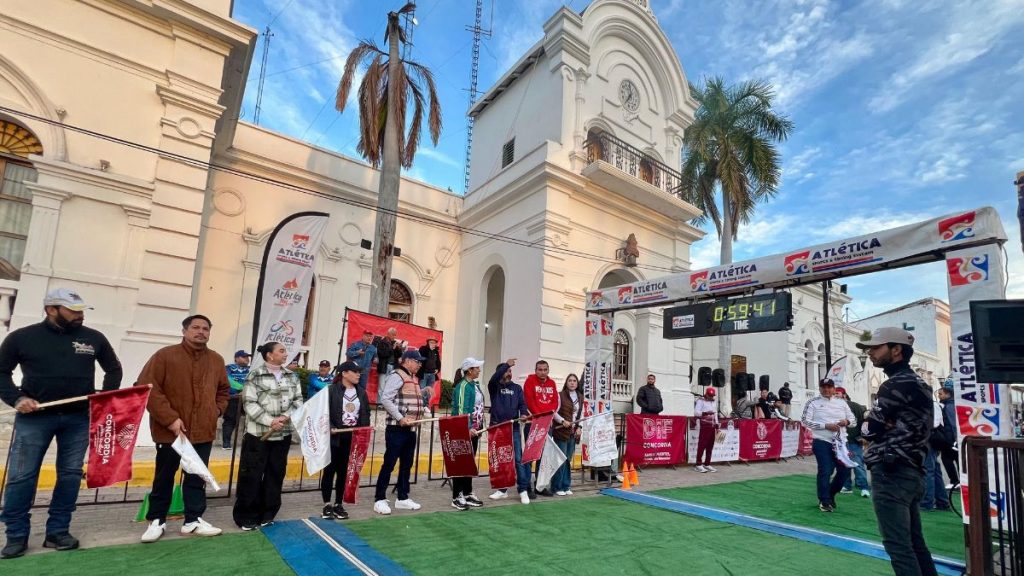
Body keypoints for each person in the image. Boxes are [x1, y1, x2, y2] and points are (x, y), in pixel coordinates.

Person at [0, 288, 123, 559]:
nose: (80, 315)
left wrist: (104, 397)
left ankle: (57, 531)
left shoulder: (93, 338)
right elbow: (1, 372)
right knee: (22, 476)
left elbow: (113, 369)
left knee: (69, 475)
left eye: (81, 311)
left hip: (78, 418)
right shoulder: (21, 338)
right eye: (73, 311)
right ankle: (16, 535)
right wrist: (16, 398)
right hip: (34, 418)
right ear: (51, 310)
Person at [139, 314, 229, 543]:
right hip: (170, 432)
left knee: (196, 477)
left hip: (203, 431)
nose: (201, 332)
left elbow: (223, 391)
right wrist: (170, 419)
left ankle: (193, 520)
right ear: (184, 331)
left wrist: (216, 411)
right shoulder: (165, 356)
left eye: (205, 329)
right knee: (164, 477)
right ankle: (156, 520)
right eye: (195, 327)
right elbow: (147, 388)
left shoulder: (216, 360)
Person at [858, 327, 938, 576]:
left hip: (891, 470)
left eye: (876, 347)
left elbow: (869, 430)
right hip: (912, 469)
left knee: (899, 547)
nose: (870, 352)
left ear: (896, 350)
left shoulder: (895, 385)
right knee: (915, 543)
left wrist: (870, 420)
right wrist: (878, 422)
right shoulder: (919, 383)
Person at [232, 342, 304, 530]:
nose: (285, 354)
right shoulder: (255, 375)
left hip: (282, 435)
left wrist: (285, 417)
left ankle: (268, 513)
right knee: (252, 475)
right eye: (281, 351)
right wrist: (270, 421)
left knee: (275, 474)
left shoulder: (292, 376)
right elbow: (249, 403)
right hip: (258, 435)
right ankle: (246, 516)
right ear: (270, 355)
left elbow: (298, 400)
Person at [373, 349, 427, 515]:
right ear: (407, 360)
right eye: (417, 362)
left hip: (411, 428)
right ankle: (379, 498)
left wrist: (424, 404)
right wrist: (400, 418)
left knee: (406, 464)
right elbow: (386, 399)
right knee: (389, 463)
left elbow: (410, 400)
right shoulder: (397, 375)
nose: (419, 365)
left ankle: (402, 497)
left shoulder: (413, 378)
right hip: (397, 429)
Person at [320, 361, 370, 520]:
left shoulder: (361, 392)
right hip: (334, 436)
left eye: (359, 372)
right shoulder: (331, 390)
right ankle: (327, 504)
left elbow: (366, 413)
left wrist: (365, 429)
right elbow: (323, 412)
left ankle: (338, 504)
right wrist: (331, 427)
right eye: (355, 371)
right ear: (344, 373)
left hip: (352, 437)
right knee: (329, 471)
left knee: (344, 472)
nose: (358, 374)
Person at [801, 378, 855, 512]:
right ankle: (824, 501)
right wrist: (825, 426)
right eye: (823, 387)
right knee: (825, 470)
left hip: (841, 442)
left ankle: (830, 494)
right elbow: (804, 421)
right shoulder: (813, 402)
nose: (826, 389)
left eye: (829, 387)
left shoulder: (842, 403)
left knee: (845, 470)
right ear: (819, 388)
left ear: (834, 388)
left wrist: (846, 422)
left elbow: (853, 420)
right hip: (821, 441)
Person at [486, 359, 531, 504]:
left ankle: (523, 490)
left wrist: (523, 414)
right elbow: (493, 379)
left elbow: (522, 404)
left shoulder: (517, 388)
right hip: (498, 428)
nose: (509, 373)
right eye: (506, 371)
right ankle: (502, 490)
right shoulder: (494, 387)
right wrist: (506, 365)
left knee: (518, 459)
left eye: (510, 371)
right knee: (500, 459)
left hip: (514, 428)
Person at [523, 360, 570, 496]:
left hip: (547, 425)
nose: (542, 372)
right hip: (533, 424)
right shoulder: (530, 382)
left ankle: (540, 486)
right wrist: (542, 418)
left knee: (543, 457)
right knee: (530, 456)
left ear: (548, 370)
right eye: (540, 369)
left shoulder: (552, 383)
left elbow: (554, 403)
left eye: (545, 369)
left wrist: (548, 418)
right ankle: (526, 487)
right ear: (535, 370)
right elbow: (530, 402)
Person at [449, 358, 486, 510]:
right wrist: (468, 427)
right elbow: (461, 410)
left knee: (469, 463)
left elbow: (479, 406)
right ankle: (457, 496)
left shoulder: (474, 385)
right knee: (461, 462)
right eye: (477, 368)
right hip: (463, 430)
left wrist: (479, 426)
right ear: (470, 370)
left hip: (474, 430)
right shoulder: (463, 386)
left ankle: (467, 492)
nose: (479, 370)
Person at [552, 374, 583, 496]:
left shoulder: (580, 397)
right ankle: (557, 486)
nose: (572, 383)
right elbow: (554, 412)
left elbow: (581, 414)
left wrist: (579, 427)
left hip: (573, 433)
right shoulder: (560, 395)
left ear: (577, 383)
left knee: (568, 460)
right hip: (561, 432)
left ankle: (566, 485)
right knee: (560, 459)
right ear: (566, 382)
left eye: (574, 381)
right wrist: (562, 421)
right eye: (570, 380)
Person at [920, 394, 951, 512]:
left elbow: (934, 423)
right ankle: (942, 501)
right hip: (931, 439)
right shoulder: (933, 405)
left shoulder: (930, 405)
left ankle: (927, 502)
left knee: (928, 470)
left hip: (928, 439)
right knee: (935, 470)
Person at [838, 387, 871, 498]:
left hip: (853, 440)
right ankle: (848, 486)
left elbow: (865, 422)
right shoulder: (836, 407)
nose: (835, 396)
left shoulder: (854, 407)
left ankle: (863, 487)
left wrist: (863, 437)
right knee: (845, 463)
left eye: (837, 393)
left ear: (844, 395)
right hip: (843, 440)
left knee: (857, 464)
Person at [223, 350, 251, 449]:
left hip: (248, 398)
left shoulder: (251, 369)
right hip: (234, 398)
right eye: (244, 357)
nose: (247, 359)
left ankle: (248, 443)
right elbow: (227, 380)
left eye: (247, 357)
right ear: (236, 358)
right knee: (230, 419)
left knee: (251, 420)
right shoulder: (229, 368)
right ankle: (226, 443)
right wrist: (241, 389)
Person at [935, 386, 959, 487]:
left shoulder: (949, 406)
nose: (939, 396)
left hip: (950, 437)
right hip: (950, 437)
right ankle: (958, 481)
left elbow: (953, 423)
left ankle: (955, 481)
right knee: (954, 458)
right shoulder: (949, 404)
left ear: (948, 394)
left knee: (947, 458)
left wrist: (956, 437)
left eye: (941, 394)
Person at [694, 388, 719, 473]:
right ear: (706, 394)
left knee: (710, 445)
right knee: (702, 445)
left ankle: (707, 463)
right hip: (703, 425)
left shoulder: (714, 402)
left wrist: (717, 425)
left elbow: (715, 414)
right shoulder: (700, 401)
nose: (711, 397)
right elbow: (696, 412)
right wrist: (705, 413)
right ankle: (698, 464)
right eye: (710, 395)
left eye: (712, 396)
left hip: (712, 426)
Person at [417, 338, 441, 407]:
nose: (433, 344)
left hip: (432, 374)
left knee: (429, 391)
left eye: (434, 342)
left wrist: (438, 369)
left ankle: (426, 406)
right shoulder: (423, 349)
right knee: (422, 390)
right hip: (424, 373)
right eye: (431, 342)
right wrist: (429, 349)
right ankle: (421, 406)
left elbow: (438, 361)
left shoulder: (436, 351)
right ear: (428, 342)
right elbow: (421, 357)